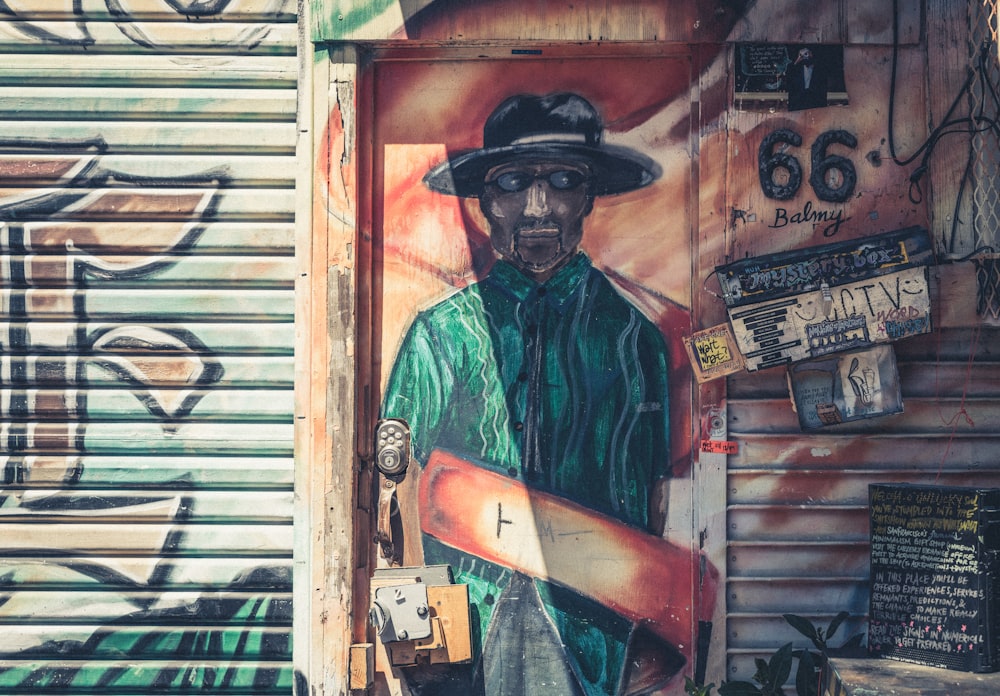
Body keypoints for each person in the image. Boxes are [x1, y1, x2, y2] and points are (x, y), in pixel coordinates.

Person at [381, 92, 682, 695]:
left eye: (564, 180)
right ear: (487, 201)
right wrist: (410, 639)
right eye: (514, 181)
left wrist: (647, 628)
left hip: (590, 628)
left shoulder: (631, 339)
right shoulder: (440, 336)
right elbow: (393, 496)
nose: (538, 206)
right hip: (463, 614)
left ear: (588, 197)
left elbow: (653, 498)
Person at [784, 46, 829, 111]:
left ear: (811, 54)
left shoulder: (821, 70)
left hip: (816, 105)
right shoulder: (793, 69)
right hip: (797, 105)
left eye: (806, 54)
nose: (803, 58)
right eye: (800, 55)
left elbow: (823, 88)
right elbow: (790, 87)